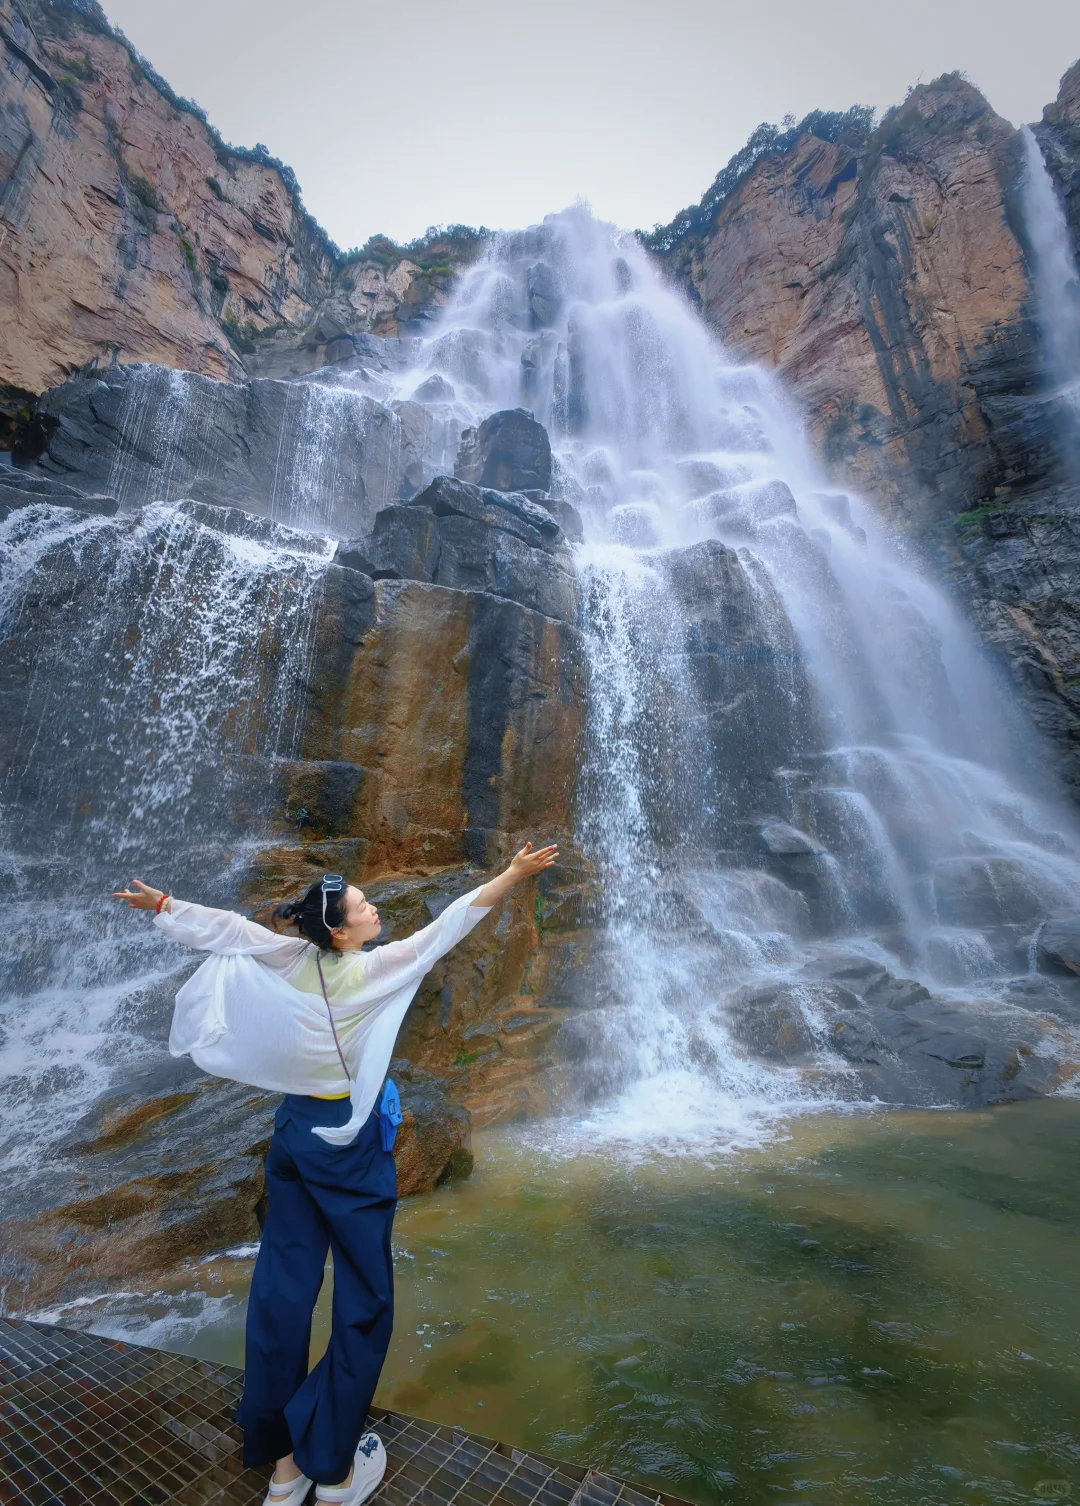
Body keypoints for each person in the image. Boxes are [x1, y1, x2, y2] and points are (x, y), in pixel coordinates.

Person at [113, 842, 558, 1506]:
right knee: (365, 1300)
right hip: (347, 1151)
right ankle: (336, 1471)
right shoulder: (378, 968)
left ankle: (283, 1469)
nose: (373, 908)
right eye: (361, 906)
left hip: (294, 1135)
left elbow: (230, 931)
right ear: (342, 932)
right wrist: (515, 874)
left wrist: (165, 908)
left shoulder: (293, 957)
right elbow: (456, 920)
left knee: (282, 1291)